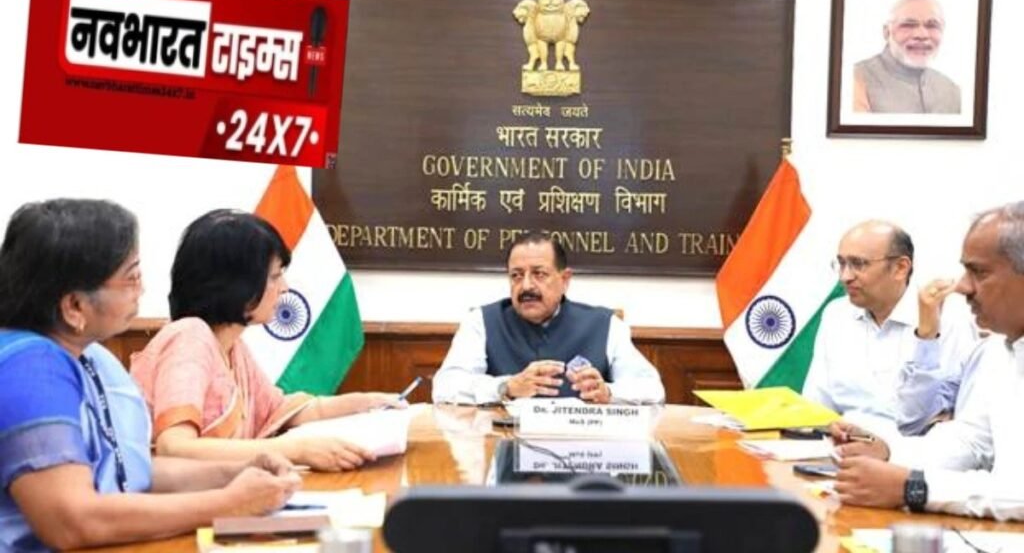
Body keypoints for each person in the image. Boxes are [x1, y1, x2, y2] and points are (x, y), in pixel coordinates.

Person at [0, 199, 300, 551]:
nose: (141, 290)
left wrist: (239, 471)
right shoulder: (29, 371)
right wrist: (229, 504)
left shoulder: (90, 357)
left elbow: (130, 471)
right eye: (131, 278)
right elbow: (73, 520)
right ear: (74, 307)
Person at [130, 209, 402, 472]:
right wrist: (293, 450)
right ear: (237, 284)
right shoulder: (189, 339)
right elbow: (175, 449)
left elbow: (283, 410)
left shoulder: (232, 346)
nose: (284, 288)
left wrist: (367, 402)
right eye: (274, 277)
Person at [833, 201, 1024, 519]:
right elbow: (971, 441)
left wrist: (915, 487)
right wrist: (888, 450)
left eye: (979, 272)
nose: (962, 287)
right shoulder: (996, 350)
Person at [431, 231, 665, 405]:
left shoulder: (605, 325)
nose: (526, 286)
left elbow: (652, 389)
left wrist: (609, 393)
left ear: (565, 280)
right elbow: (445, 387)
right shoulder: (481, 322)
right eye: (516, 275)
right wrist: (506, 386)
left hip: (583, 450)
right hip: (502, 445)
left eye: (539, 274)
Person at [801, 220, 978, 434]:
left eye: (858, 264)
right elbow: (816, 405)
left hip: (911, 450)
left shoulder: (948, 317)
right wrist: (828, 428)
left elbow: (916, 420)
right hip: (840, 445)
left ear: (900, 268)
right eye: (841, 263)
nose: (845, 276)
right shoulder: (836, 314)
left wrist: (926, 337)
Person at [852, 0, 961, 114]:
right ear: (886, 33)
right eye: (908, 25)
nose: (922, 35)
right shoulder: (856, 80)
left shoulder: (952, 92)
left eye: (932, 26)